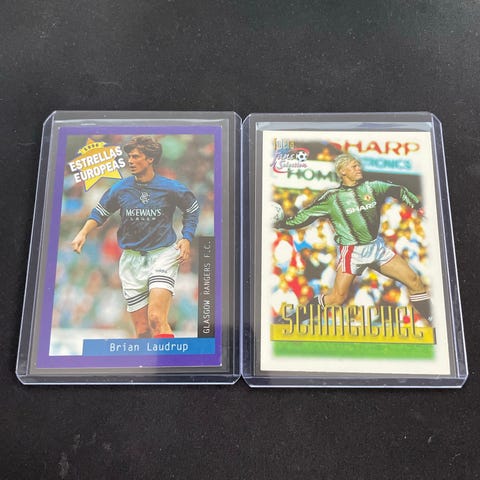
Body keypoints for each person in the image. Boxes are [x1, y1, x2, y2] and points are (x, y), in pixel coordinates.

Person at [275, 153, 431, 324]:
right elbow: (305, 217)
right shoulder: (331, 198)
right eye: (354, 166)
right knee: (337, 298)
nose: (359, 168)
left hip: (376, 248)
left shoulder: (372, 187)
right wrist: (282, 223)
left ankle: (434, 322)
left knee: (414, 281)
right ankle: (292, 319)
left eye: (358, 165)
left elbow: (399, 190)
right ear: (342, 171)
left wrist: (419, 207)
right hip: (353, 252)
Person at [71, 136, 200, 338]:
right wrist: (83, 232)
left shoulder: (170, 187)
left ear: (150, 159)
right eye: (129, 156)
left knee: (156, 318)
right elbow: (101, 211)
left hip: (162, 254)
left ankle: (168, 357)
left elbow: (192, 208)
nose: (130, 161)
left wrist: (186, 237)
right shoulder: (121, 188)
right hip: (131, 260)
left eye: (135, 156)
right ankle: (148, 358)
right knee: (142, 329)